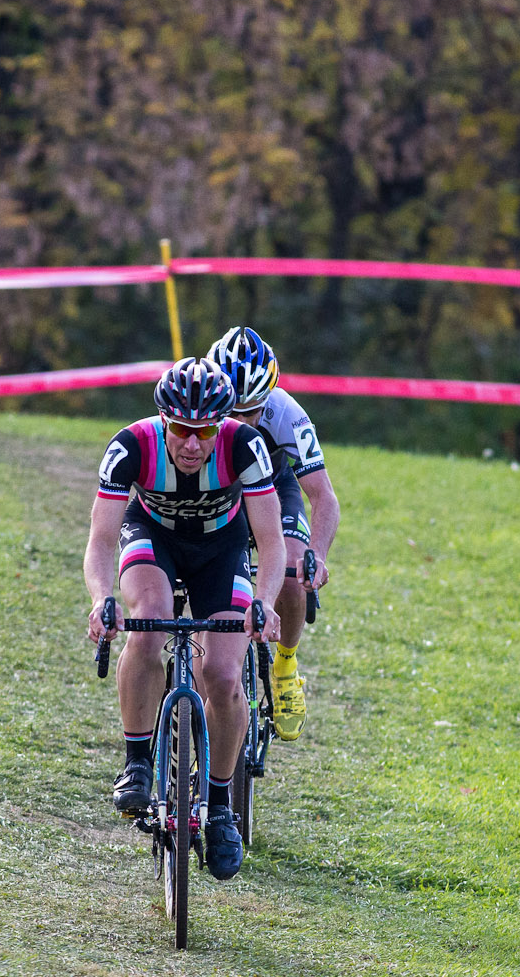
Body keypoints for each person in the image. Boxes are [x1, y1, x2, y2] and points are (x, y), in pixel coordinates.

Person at [83, 356, 285, 880]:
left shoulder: (245, 446)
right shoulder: (131, 446)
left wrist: (264, 601)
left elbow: (270, 540)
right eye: (181, 430)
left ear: (220, 426)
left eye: (203, 432)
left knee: (220, 674)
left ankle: (219, 806)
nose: (192, 445)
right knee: (147, 622)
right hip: (153, 539)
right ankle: (136, 763)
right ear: (163, 422)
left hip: (222, 550)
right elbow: (101, 539)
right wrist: (101, 597)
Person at [206, 326, 339, 743]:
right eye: (233, 412)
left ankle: (284, 667)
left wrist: (317, 553)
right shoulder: (199, 400)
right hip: (218, 489)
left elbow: (323, 496)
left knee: (291, 571)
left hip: (275, 488)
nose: (241, 421)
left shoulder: (286, 412)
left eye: (252, 411)